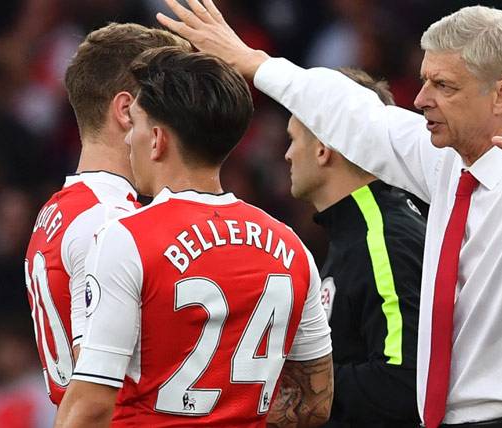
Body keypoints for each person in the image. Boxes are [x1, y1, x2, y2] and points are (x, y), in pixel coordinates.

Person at [157, 1, 502, 427]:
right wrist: (255, 62)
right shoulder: (446, 160)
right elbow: (356, 113)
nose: (422, 98)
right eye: (425, 80)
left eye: (444, 85)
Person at [54, 47, 333, 428]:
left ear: (157, 139)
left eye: (134, 124)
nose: (127, 140)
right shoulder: (291, 247)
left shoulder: (126, 238)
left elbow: (91, 405)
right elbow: (314, 402)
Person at [23, 22, 191, 406]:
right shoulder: (109, 220)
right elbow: (94, 391)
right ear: (128, 112)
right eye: (172, 106)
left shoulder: (61, 210)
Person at [284, 67, 424, 427]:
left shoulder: (384, 236)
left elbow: (403, 382)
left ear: (323, 148)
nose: (287, 154)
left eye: (294, 139)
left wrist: (297, 389)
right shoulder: (359, 230)